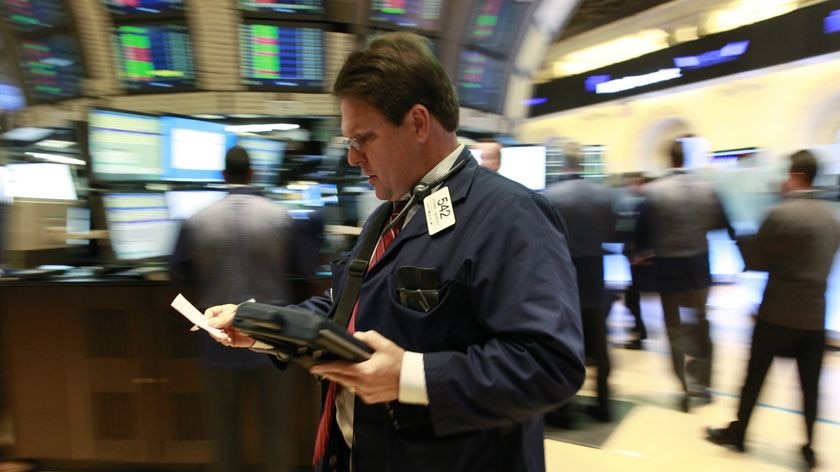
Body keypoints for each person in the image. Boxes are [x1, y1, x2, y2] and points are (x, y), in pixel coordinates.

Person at [201, 32, 585, 472]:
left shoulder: (509, 214)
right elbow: (349, 307)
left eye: (363, 139)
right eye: (349, 142)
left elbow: (550, 364)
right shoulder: (388, 214)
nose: (353, 159)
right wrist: (263, 327)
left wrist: (409, 376)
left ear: (419, 123)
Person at [170, 145, 316, 472]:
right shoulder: (280, 216)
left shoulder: (196, 220)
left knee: (225, 433)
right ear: (254, 174)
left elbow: (178, 273)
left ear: (224, 176)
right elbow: (305, 270)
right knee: (276, 430)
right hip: (272, 337)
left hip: (217, 337)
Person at [705, 150, 840, 469]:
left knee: (754, 378)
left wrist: (743, 240)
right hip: (813, 317)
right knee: (809, 387)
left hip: (777, 314)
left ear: (795, 176)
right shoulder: (831, 220)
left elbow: (755, 261)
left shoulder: (781, 214)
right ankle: (808, 447)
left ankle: (738, 434)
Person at [636, 138, 735, 411]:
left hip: (668, 270)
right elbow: (723, 224)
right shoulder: (707, 188)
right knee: (701, 323)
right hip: (699, 267)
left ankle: (684, 386)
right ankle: (703, 382)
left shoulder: (654, 192)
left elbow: (642, 233)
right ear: (686, 159)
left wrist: (641, 252)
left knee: (675, 328)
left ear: (669, 159)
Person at [543, 150, 616, 421]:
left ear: (563, 166)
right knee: (600, 345)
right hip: (596, 279)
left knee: (567, 345)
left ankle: (563, 409)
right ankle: (604, 404)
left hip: (564, 280)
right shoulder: (604, 195)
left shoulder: (551, 196)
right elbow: (613, 233)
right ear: (582, 165)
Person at [614, 172, 651, 349]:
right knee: (632, 297)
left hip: (642, 259)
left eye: (633, 183)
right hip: (639, 258)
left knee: (632, 297)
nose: (630, 187)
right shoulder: (640, 204)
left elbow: (631, 231)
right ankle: (639, 330)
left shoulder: (644, 205)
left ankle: (640, 332)